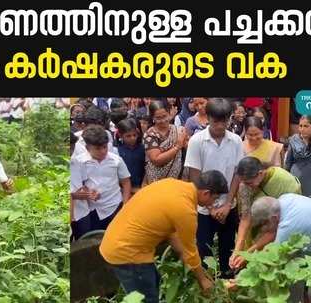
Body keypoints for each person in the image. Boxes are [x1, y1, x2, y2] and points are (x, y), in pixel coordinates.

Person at [100, 171, 229, 303]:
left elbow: (169, 228)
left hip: (115, 239)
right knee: (147, 299)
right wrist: (203, 280)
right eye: (214, 198)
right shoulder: (186, 210)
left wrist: (181, 251)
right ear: (206, 193)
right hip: (127, 252)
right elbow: (191, 252)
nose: (213, 203)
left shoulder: (172, 184)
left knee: (154, 282)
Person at [183, 98, 243, 278]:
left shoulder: (235, 141)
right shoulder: (197, 141)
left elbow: (237, 174)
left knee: (227, 249)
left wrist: (227, 204)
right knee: (204, 250)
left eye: (225, 121)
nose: (220, 125)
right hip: (204, 208)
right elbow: (195, 176)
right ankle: (207, 288)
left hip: (228, 206)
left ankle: (227, 284)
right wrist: (210, 207)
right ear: (208, 118)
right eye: (216, 121)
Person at [230, 157, 301, 270]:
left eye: (249, 183)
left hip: (282, 227)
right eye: (243, 182)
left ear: (260, 173)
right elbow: (245, 217)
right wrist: (238, 249)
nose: (246, 186)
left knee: (274, 265)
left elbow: (277, 227)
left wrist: (249, 254)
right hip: (258, 226)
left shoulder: (284, 181)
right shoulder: (245, 185)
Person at [70, 125, 131, 240]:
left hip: (115, 206)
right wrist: (88, 193)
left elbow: (126, 182)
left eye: (104, 147)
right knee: (94, 240)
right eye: (98, 149)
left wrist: (125, 204)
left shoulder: (116, 160)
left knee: (115, 237)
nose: (102, 151)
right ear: (88, 148)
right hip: (93, 210)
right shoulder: (80, 162)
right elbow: (79, 185)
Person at [143, 100, 187, 185]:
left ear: (169, 113)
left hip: (176, 178)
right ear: (153, 118)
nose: (163, 120)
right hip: (156, 180)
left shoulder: (178, 131)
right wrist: (177, 147)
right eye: (158, 118)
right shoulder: (150, 135)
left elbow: (188, 148)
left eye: (164, 116)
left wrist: (185, 142)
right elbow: (156, 160)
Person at [117, 119, 145, 195]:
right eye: (128, 136)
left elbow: (146, 168)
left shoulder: (143, 149)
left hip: (141, 187)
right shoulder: (117, 151)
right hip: (123, 190)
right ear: (120, 135)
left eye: (134, 135)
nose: (132, 138)